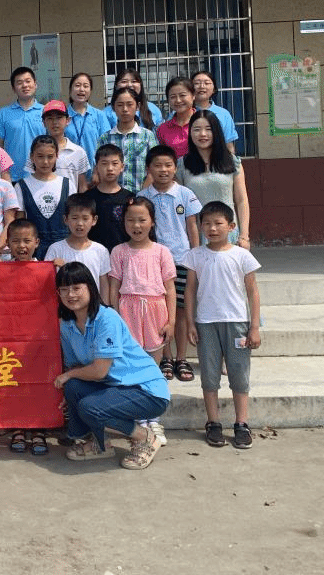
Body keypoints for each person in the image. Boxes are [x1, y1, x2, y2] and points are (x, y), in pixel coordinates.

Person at [53, 262, 171, 470]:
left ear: (90, 288)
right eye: (64, 290)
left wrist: (68, 375)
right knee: (73, 387)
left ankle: (144, 438)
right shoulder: (67, 324)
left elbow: (99, 371)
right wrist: (68, 384)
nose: (70, 295)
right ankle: (100, 444)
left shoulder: (107, 318)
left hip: (146, 390)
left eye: (76, 288)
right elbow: (74, 366)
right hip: (115, 387)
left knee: (89, 407)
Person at [181, 201, 261, 450]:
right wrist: (190, 323)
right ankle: (213, 422)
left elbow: (253, 292)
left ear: (231, 226)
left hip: (237, 323)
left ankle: (241, 423)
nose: (212, 228)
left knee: (239, 373)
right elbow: (189, 291)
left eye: (218, 223)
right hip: (206, 323)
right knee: (209, 374)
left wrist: (254, 327)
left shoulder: (242, 255)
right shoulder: (195, 255)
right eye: (207, 224)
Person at [107, 197, 176, 445]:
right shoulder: (119, 251)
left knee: (152, 369)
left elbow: (170, 288)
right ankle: (138, 420)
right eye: (130, 220)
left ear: (152, 222)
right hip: (128, 311)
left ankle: (154, 420)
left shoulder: (162, 252)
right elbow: (114, 287)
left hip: (156, 310)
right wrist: (116, 318)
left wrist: (172, 321)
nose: (136, 225)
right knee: (132, 367)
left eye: (142, 220)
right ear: (124, 223)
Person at [137, 145, 201, 383]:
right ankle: (166, 356)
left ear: (175, 168)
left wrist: (195, 257)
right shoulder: (143, 197)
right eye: (157, 165)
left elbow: (192, 226)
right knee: (160, 311)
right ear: (148, 169)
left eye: (168, 165)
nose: (163, 170)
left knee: (181, 311)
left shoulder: (185, 194)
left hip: (182, 259)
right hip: (153, 260)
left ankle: (181, 358)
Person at [4, 217, 50, 456]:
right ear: (8, 244)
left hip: (38, 339)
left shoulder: (46, 270)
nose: (21, 246)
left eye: (26, 241)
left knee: (38, 383)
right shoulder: (1, 270)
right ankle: (18, 427)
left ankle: (39, 428)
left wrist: (57, 268)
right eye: (16, 241)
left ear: (37, 242)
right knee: (14, 382)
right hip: (10, 338)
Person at [176, 110, 251, 248]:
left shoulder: (232, 162)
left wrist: (244, 236)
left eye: (208, 129)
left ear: (216, 132)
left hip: (228, 234)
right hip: (197, 236)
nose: (202, 134)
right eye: (197, 129)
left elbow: (242, 201)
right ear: (190, 133)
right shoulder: (182, 165)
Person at [44, 194, 110, 299]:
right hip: (66, 305)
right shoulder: (55, 249)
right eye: (74, 218)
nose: (80, 223)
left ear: (94, 220)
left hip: (93, 307)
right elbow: (48, 283)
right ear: (66, 219)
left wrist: (105, 306)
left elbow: (104, 284)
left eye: (85, 218)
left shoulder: (100, 250)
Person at [15, 135, 69, 261]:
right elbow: (20, 223)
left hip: (63, 248)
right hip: (34, 251)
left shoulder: (67, 184)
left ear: (57, 156)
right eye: (40, 156)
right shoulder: (21, 186)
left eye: (50, 157)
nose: (45, 162)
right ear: (32, 157)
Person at [96, 87, 159, 193]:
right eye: (120, 105)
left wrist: (143, 193)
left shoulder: (147, 136)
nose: (125, 109)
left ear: (138, 106)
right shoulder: (105, 138)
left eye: (129, 104)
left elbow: (155, 165)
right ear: (113, 107)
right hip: (112, 195)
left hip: (141, 195)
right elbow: (99, 168)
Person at [0, 66, 44, 182]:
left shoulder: (45, 112)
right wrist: (1, 173)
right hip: (11, 177)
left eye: (28, 81)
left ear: (35, 84)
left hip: (41, 175)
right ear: (13, 88)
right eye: (19, 83)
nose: (25, 85)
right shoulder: (4, 113)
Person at [25, 100, 90, 193]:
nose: (55, 122)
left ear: (68, 120)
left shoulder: (78, 152)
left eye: (59, 118)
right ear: (43, 122)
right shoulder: (36, 151)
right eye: (50, 118)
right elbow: (31, 181)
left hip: (69, 201)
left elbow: (82, 186)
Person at [80, 144, 134, 253]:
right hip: (93, 254)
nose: (110, 168)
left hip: (122, 254)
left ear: (122, 167)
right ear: (97, 167)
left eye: (115, 164)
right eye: (104, 164)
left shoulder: (129, 198)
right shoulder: (87, 198)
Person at [65, 72, 111, 181]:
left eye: (86, 86)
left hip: (95, 175)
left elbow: (106, 146)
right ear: (70, 90)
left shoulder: (99, 115)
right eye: (77, 85)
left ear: (90, 91)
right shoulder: (63, 115)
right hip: (68, 173)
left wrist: (98, 170)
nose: (81, 89)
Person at [192, 70, 239, 153]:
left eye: (207, 83)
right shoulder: (181, 113)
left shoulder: (223, 114)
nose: (202, 86)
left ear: (214, 89)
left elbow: (228, 144)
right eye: (196, 83)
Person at [156, 77, 197, 158]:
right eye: (173, 97)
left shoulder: (205, 123)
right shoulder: (163, 129)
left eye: (182, 95)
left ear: (193, 96)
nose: (178, 100)